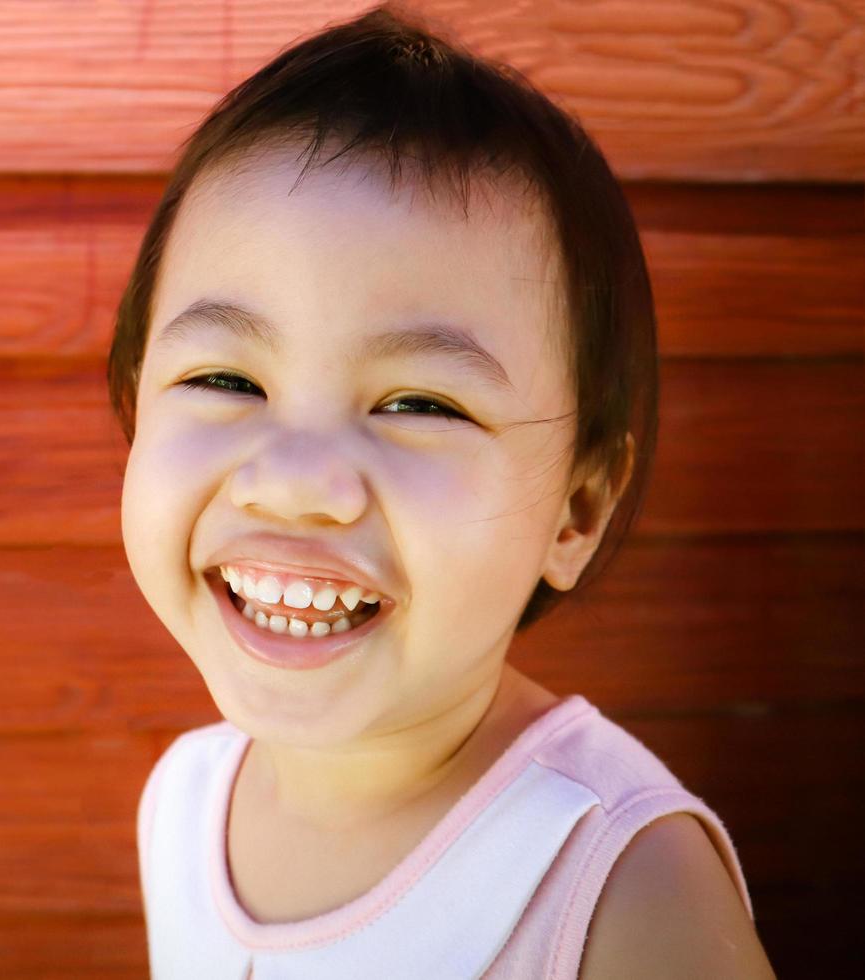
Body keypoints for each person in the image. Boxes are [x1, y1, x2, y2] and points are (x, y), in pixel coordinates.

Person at [111, 3, 776, 977]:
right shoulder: (184, 800)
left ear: (577, 510)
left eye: (418, 401)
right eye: (227, 381)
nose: (296, 484)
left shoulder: (620, 886)